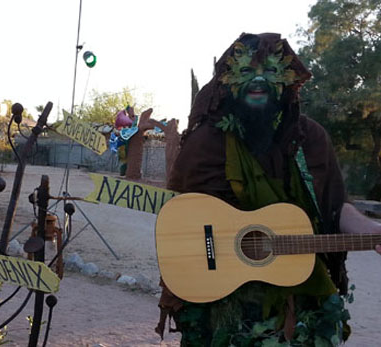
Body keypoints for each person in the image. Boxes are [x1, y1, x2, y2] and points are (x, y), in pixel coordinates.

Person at [157, 32, 381, 346]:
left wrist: (372, 231)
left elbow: (334, 206)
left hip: (301, 298)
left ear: (287, 80)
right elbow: (182, 219)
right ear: (228, 81)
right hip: (222, 303)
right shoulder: (208, 142)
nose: (259, 80)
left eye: (271, 71)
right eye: (247, 71)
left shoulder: (308, 138)